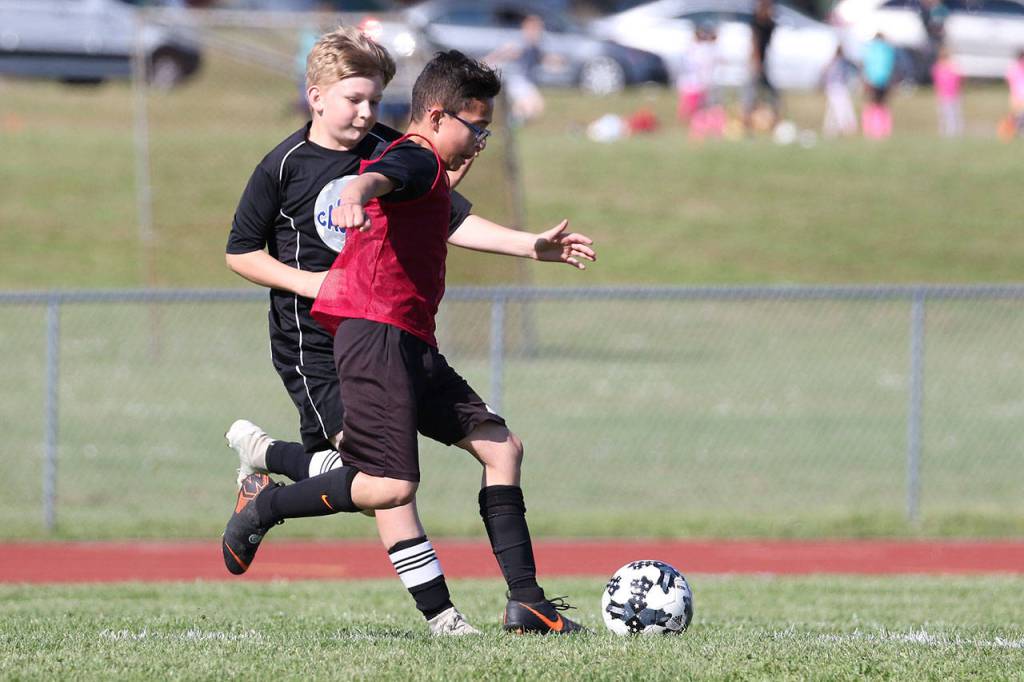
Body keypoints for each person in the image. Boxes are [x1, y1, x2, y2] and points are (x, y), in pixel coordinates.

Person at [223, 48, 595, 635]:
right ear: (442, 116)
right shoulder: (405, 158)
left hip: (408, 337)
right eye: (477, 128)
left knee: (502, 448)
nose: (481, 141)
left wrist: (531, 245)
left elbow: (434, 206)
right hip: (358, 338)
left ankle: (527, 602)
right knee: (386, 484)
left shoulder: (410, 155)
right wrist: (355, 193)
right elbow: (378, 179)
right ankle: (268, 504)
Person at [225, 26, 487, 637]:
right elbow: (240, 253)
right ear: (315, 96)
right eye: (354, 100)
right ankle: (443, 617)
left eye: (375, 100)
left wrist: (529, 246)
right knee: (381, 476)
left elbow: (443, 219)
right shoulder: (283, 165)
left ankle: (265, 460)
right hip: (312, 343)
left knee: (376, 473)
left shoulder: (391, 150)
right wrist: (321, 285)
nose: (367, 112)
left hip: (377, 332)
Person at [485, 14, 547, 124]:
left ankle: (512, 120)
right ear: (527, 28)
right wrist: (487, 61)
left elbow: (541, 58)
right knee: (532, 107)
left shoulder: (535, 46)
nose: (539, 32)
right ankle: (511, 122)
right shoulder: (520, 43)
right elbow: (503, 53)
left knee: (536, 107)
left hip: (526, 82)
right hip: (516, 82)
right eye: (537, 28)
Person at [677, 22, 725, 140]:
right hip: (702, 83)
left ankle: (704, 129)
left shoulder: (696, 49)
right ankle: (708, 129)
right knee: (707, 108)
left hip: (699, 84)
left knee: (703, 109)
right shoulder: (704, 49)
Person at [742, 0, 780, 133]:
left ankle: (774, 121)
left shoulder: (770, 25)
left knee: (771, 94)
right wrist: (757, 63)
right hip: (756, 62)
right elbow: (754, 44)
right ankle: (746, 122)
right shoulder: (756, 24)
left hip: (764, 62)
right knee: (751, 93)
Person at [861, 32, 897, 139]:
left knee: (872, 104)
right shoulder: (887, 49)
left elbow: (866, 65)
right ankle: (885, 129)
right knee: (883, 105)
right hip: (884, 80)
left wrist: (866, 80)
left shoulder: (870, 49)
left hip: (872, 80)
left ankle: (869, 128)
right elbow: (891, 65)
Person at [821, 45, 857, 138]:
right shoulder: (840, 62)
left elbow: (824, 73)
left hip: (832, 87)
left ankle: (829, 129)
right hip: (838, 87)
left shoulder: (832, 62)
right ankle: (844, 128)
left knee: (832, 110)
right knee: (840, 109)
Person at [930, 46, 962, 137]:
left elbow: (958, 79)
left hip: (952, 94)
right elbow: (936, 82)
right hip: (944, 95)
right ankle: (945, 131)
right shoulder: (938, 68)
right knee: (944, 114)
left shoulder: (952, 67)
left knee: (953, 114)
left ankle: (954, 132)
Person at [1006, 50, 1024, 137]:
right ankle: (1014, 131)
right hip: (1018, 95)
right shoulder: (1016, 68)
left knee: (1019, 115)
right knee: (1019, 116)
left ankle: (1016, 131)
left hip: (1017, 95)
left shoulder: (1013, 68)